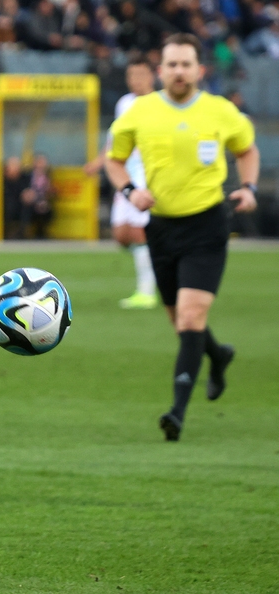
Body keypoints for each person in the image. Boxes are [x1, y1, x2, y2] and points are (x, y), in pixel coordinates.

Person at [105, 33, 258, 441]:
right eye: (171, 64)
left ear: (199, 69)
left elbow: (247, 150)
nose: (178, 71)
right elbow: (113, 160)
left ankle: (176, 413)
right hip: (161, 228)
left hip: (208, 225)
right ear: (160, 70)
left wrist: (249, 187)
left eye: (186, 64)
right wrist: (129, 191)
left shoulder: (221, 112)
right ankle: (218, 354)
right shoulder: (140, 113)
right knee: (181, 323)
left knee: (191, 317)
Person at [86, 54, 158, 309]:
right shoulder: (124, 103)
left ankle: (146, 292)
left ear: (152, 76)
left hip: (146, 176)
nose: (135, 80)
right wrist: (98, 162)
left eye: (140, 75)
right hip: (123, 175)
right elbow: (115, 141)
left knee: (138, 232)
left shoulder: (159, 104)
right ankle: (156, 259)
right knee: (121, 234)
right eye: (131, 75)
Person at [21, 154, 55, 239]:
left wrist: (50, 193)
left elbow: (49, 192)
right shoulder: (28, 176)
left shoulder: (47, 176)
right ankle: (23, 233)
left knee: (45, 208)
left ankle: (41, 233)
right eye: (39, 162)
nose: (41, 165)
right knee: (27, 208)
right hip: (30, 202)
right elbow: (24, 191)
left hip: (43, 201)